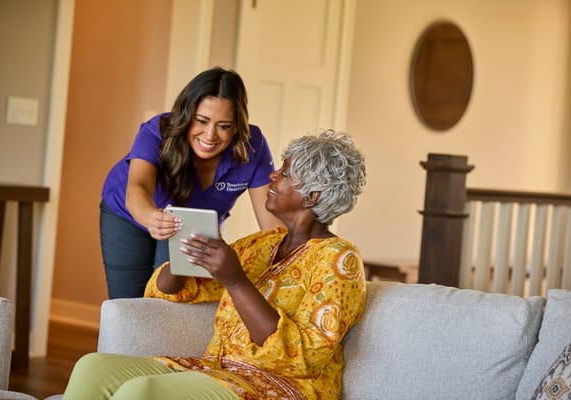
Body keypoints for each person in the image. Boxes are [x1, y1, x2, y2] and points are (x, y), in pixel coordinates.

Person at [64, 130, 368, 400]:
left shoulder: (339, 259)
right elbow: (171, 291)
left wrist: (236, 281)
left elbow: (303, 357)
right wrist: (183, 259)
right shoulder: (261, 244)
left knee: (142, 393)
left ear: (311, 196)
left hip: (282, 387)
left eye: (285, 174)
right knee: (92, 367)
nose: (272, 176)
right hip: (217, 370)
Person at [100, 67, 282, 299]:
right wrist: (150, 217)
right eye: (202, 121)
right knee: (127, 303)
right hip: (127, 213)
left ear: (237, 125)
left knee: (172, 301)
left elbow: (273, 228)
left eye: (224, 126)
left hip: (189, 224)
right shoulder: (157, 130)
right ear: (187, 115)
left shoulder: (252, 146)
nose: (210, 135)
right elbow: (138, 187)